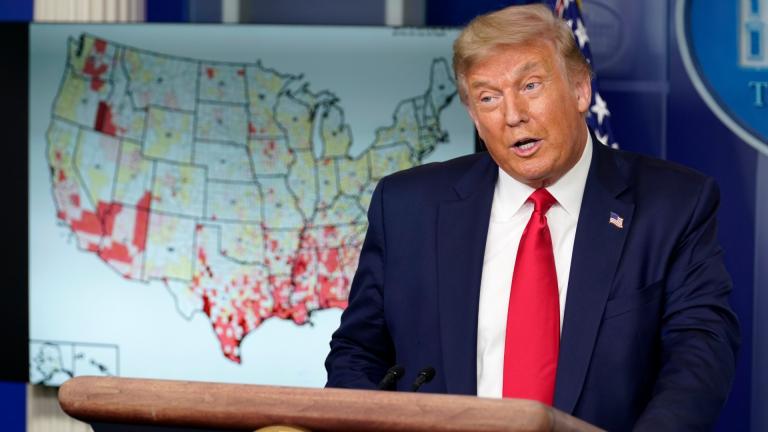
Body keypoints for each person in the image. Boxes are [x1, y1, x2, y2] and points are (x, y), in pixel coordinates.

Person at [325, 4, 740, 430]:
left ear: (580, 90)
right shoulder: (408, 206)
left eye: (530, 85)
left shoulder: (672, 204)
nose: (512, 115)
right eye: (488, 97)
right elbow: (358, 352)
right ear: (473, 115)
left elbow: (700, 353)